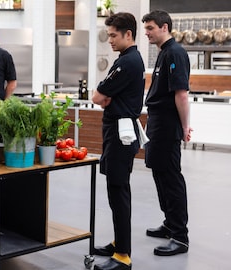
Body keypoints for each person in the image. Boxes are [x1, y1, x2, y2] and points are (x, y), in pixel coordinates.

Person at [91, 12, 145, 270]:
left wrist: (104, 96)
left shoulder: (129, 62)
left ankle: (123, 255)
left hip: (121, 132)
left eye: (113, 35)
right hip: (117, 130)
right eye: (109, 34)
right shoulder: (125, 59)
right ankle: (118, 241)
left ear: (128, 35)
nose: (109, 40)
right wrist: (104, 96)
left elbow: (98, 96)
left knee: (118, 190)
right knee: (115, 190)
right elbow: (102, 96)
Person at [141, 10, 192, 256]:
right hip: (157, 123)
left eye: (150, 28)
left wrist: (185, 127)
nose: (147, 33)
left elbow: (181, 94)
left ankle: (180, 237)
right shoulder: (163, 53)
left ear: (164, 27)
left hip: (168, 125)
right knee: (159, 174)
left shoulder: (175, 53)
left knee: (171, 178)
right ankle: (170, 223)